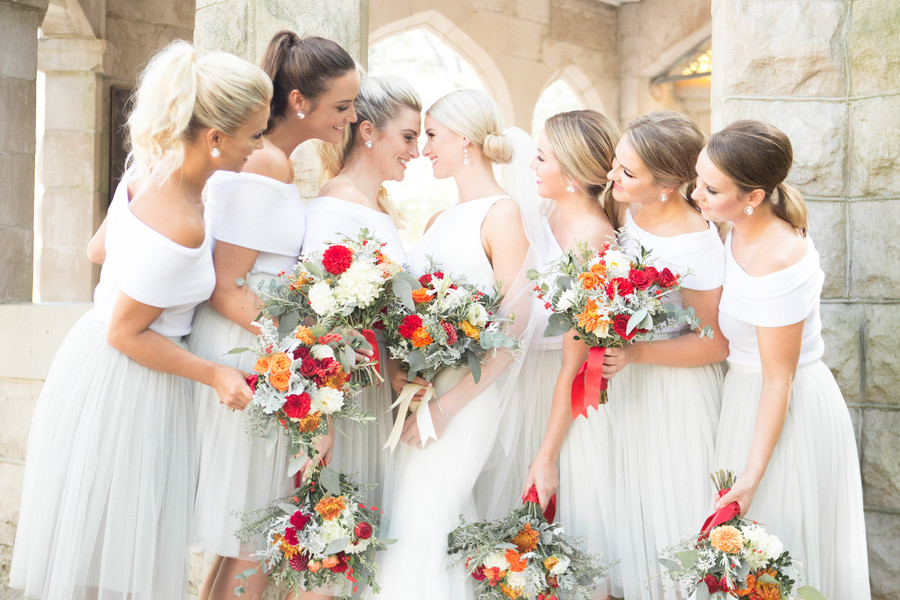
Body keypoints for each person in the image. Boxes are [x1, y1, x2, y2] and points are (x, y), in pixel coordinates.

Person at [9, 41, 271, 600]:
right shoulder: (183, 221)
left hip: (90, 363)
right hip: (130, 380)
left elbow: (97, 251)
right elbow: (126, 332)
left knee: (102, 542)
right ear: (216, 138)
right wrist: (216, 374)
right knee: (121, 550)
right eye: (254, 134)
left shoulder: (147, 169)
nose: (259, 147)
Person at [187, 31, 359, 600]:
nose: (350, 117)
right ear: (299, 102)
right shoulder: (265, 163)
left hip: (266, 350)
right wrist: (302, 362)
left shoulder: (276, 162)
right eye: (342, 105)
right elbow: (225, 286)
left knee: (252, 534)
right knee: (258, 531)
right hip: (248, 351)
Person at [375, 89, 541, 599]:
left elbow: (516, 325)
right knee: (423, 522)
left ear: (465, 138)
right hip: (419, 393)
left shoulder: (503, 214)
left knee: (424, 520)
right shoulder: (436, 220)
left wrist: (447, 407)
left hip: (466, 400)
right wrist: (407, 372)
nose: (422, 147)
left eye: (431, 134)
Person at [694, 119, 870, 599]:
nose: (697, 196)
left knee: (775, 542)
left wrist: (751, 478)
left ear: (753, 197)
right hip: (743, 396)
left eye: (710, 188)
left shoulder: (779, 258)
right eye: (697, 179)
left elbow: (779, 381)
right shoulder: (734, 229)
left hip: (784, 408)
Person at [601, 111, 729, 600]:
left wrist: (636, 355)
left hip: (674, 394)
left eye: (628, 173)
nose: (613, 176)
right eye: (617, 163)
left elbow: (714, 341)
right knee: (631, 515)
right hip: (628, 386)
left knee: (671, 509)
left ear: (669, 184)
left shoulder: (697, 244)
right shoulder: (624, 210)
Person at [509, 110, 621, 597]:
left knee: (563, 527)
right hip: (522, 378)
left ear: (572, 173)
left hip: (564, 396)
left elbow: (576, 366)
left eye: (541, 157)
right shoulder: (541, 214)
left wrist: (548, 453)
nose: (530, 165)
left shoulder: (594, 239)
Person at [300, 74, 420, 514]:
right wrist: (323, 419)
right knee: (336, 529)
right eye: (407, 136)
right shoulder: (338, 203)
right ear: (367, 131)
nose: (417, 151)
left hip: (375, 385)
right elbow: (320, 317)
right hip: (346, 393)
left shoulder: (374, 206)